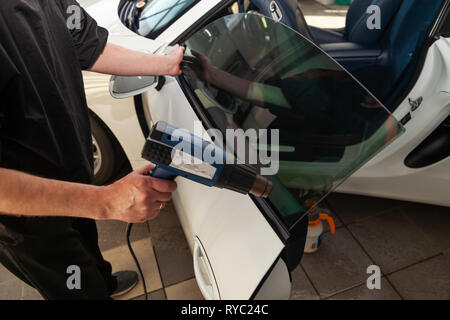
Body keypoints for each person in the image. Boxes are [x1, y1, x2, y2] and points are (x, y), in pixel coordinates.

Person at [0, 0, 184, 299]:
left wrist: (166, 65)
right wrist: (106, 202)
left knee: (89, 251)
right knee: (75, 287)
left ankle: (103, 283)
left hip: (74, 172)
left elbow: (89, 46)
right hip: (29, 217)